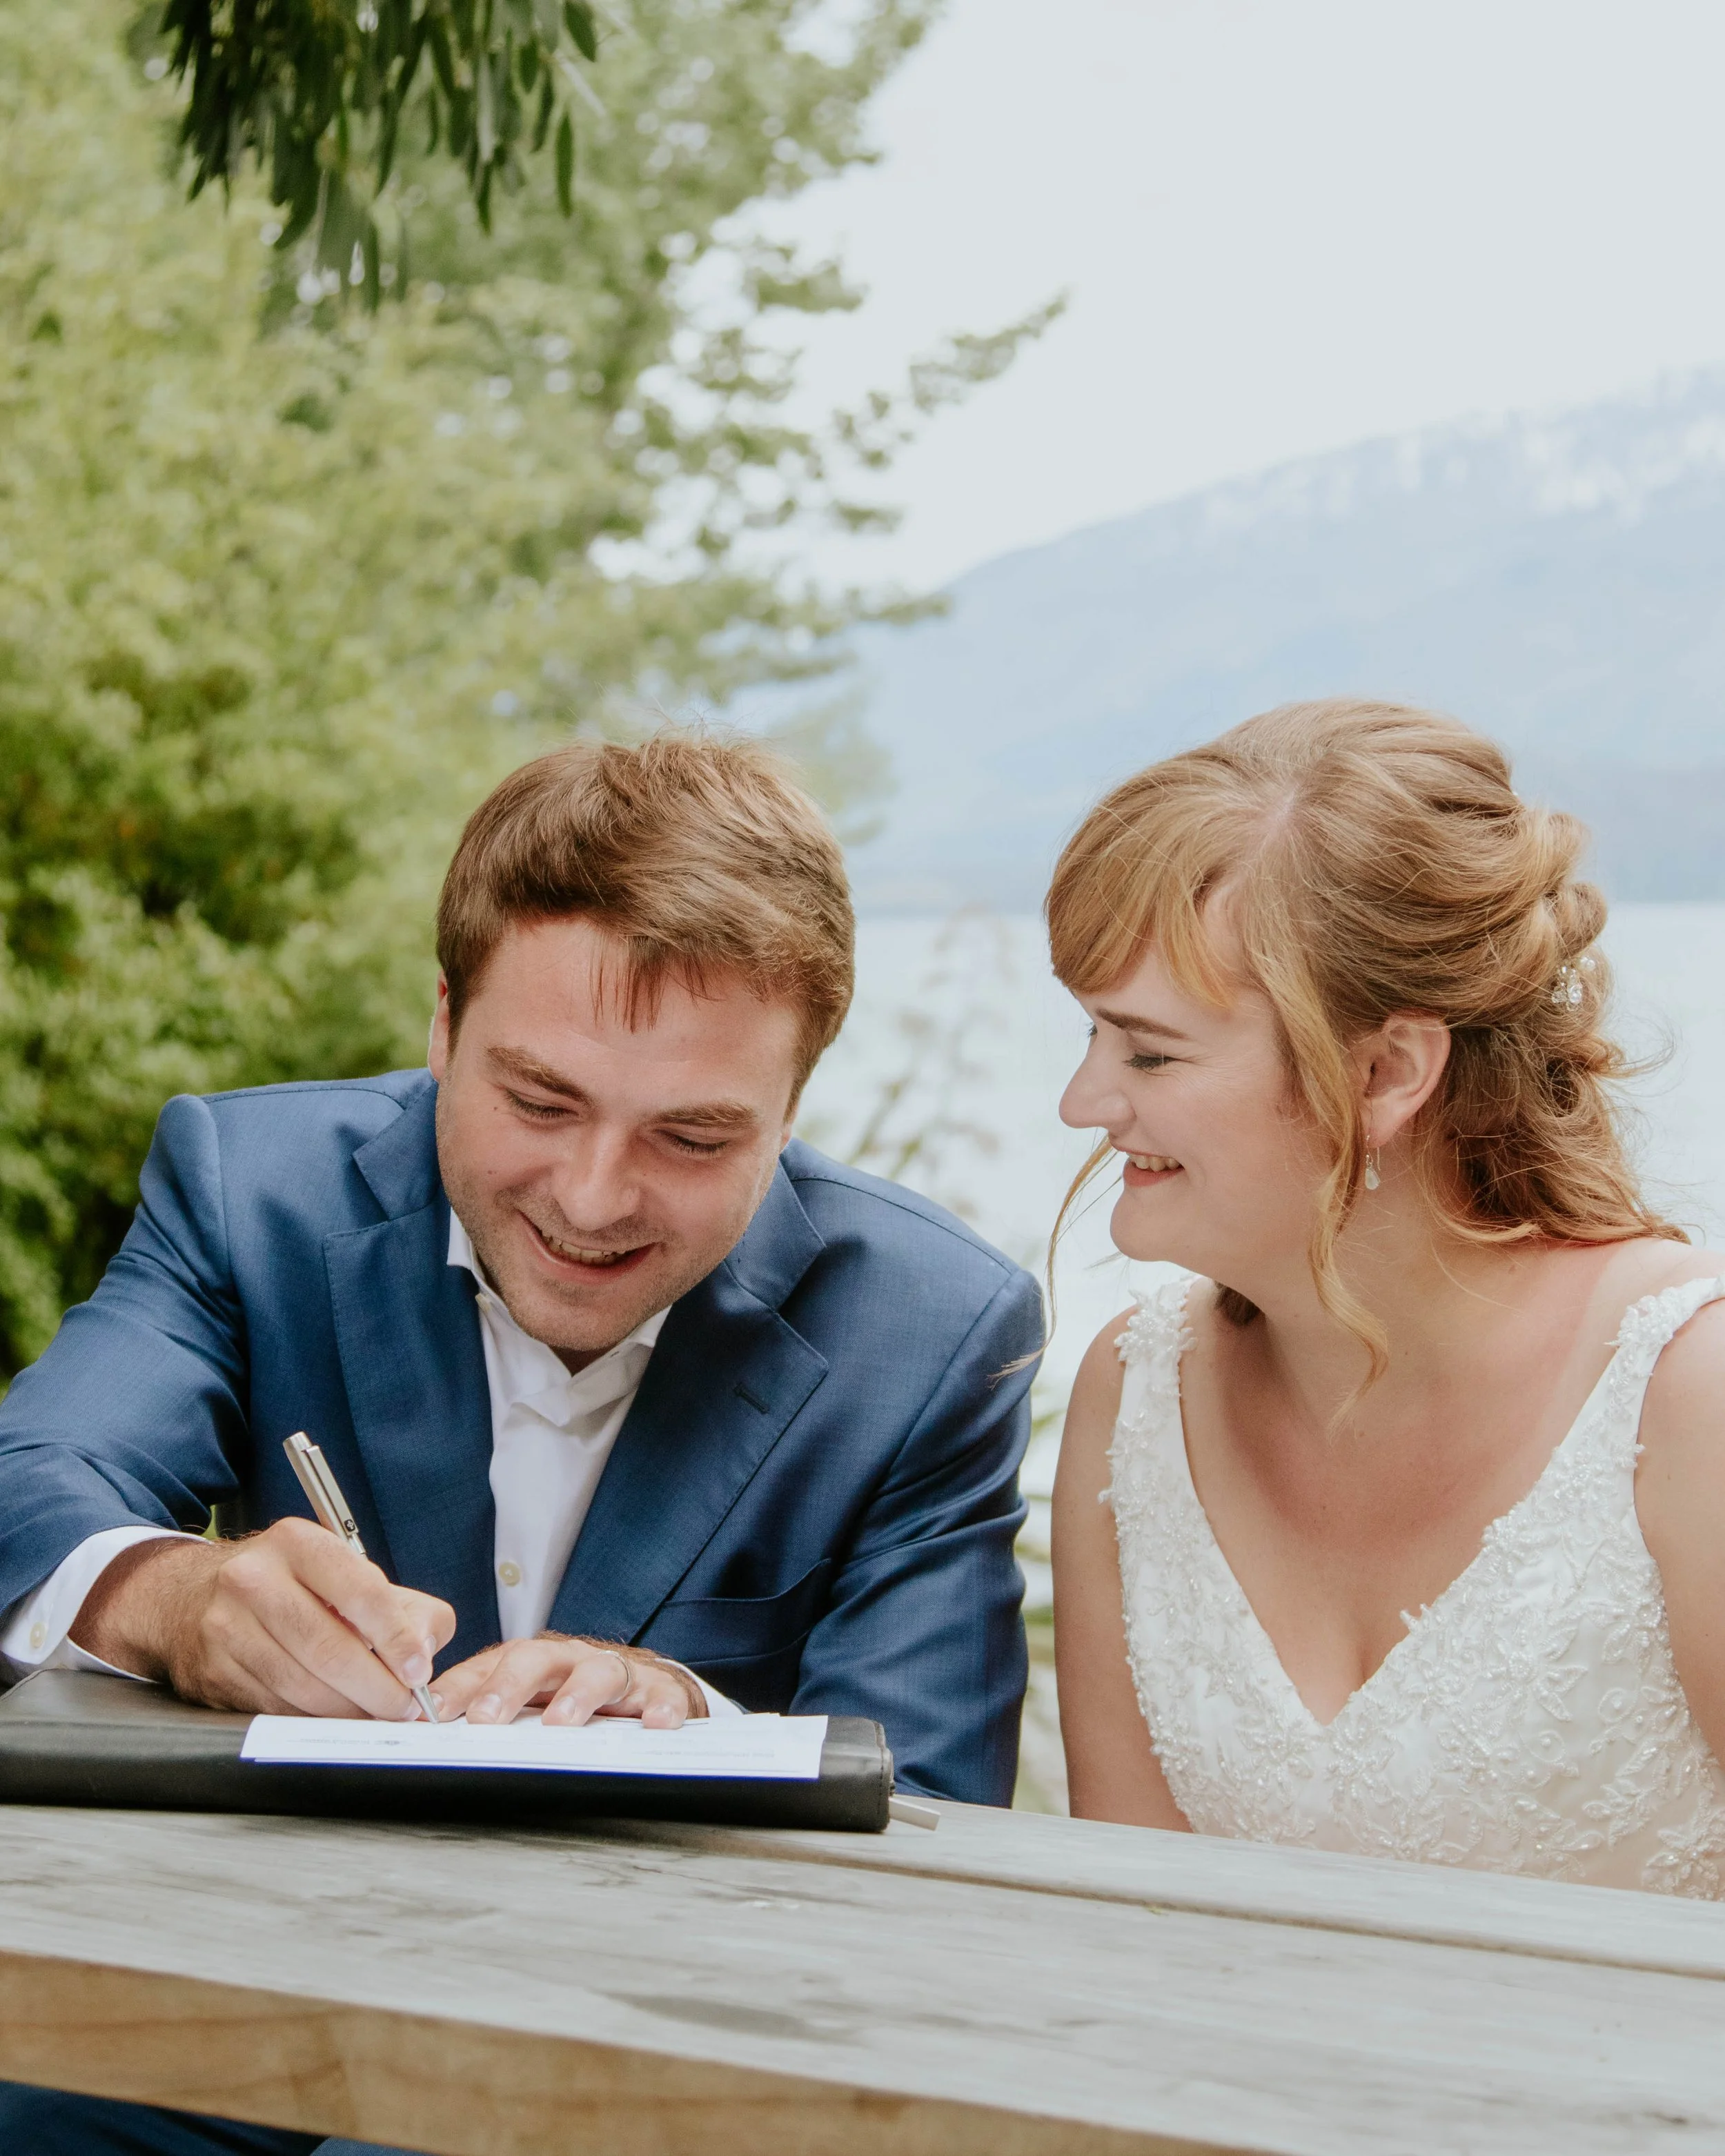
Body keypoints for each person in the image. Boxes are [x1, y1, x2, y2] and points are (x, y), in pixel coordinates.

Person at [0, 731, 1042, 2155]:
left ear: (791, 1107)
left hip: (655, 2051)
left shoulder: (932, 1329)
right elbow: (31, 1477)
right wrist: (174, 1598)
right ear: (440, 1026)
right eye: (538, 1100)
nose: (592, 1194)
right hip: (258, 1984)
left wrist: (689, 1712)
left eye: (689, 1136)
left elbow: (928, 1808)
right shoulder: (254, 1191)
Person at [1052, 698, 1725, 1895]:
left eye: (1148, 1052)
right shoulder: (1133, 1397)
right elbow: (1136, 1940)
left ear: (1384, 1073)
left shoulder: (1687, 1394)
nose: (1083, 1103)